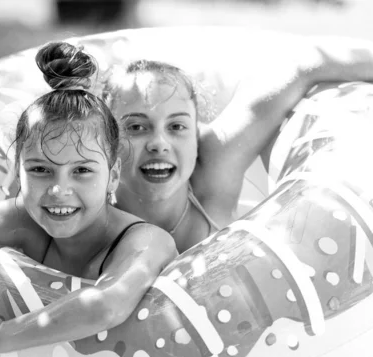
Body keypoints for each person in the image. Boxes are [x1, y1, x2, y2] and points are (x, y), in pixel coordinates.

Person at [0, 42, 177, 357]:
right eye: (40, 170)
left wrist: (1, 335)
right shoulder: (24, 220)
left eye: (82, 171)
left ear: (113, 175)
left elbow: (107, 304)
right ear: (16, 168)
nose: (59, 191)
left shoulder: (146, 241)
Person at [101, 36, 373, 252]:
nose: (159, 143)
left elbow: (303, 65)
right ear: (105, 139)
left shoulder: (212, 168)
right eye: (136, 127)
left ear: (196, 134)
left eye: (177, 127)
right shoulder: (88, 202)